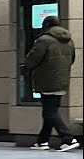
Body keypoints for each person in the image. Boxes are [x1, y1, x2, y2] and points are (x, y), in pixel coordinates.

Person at [24, 15, 78, 151]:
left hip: (47, 80)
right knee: (50, 111)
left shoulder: (44, 40)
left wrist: (27, 66)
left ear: (46, 25)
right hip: (62, 81)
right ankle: (42, 141)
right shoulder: (69, 40)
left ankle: (68, 139)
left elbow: (32, 59)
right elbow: (72, 59)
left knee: (50, 112)